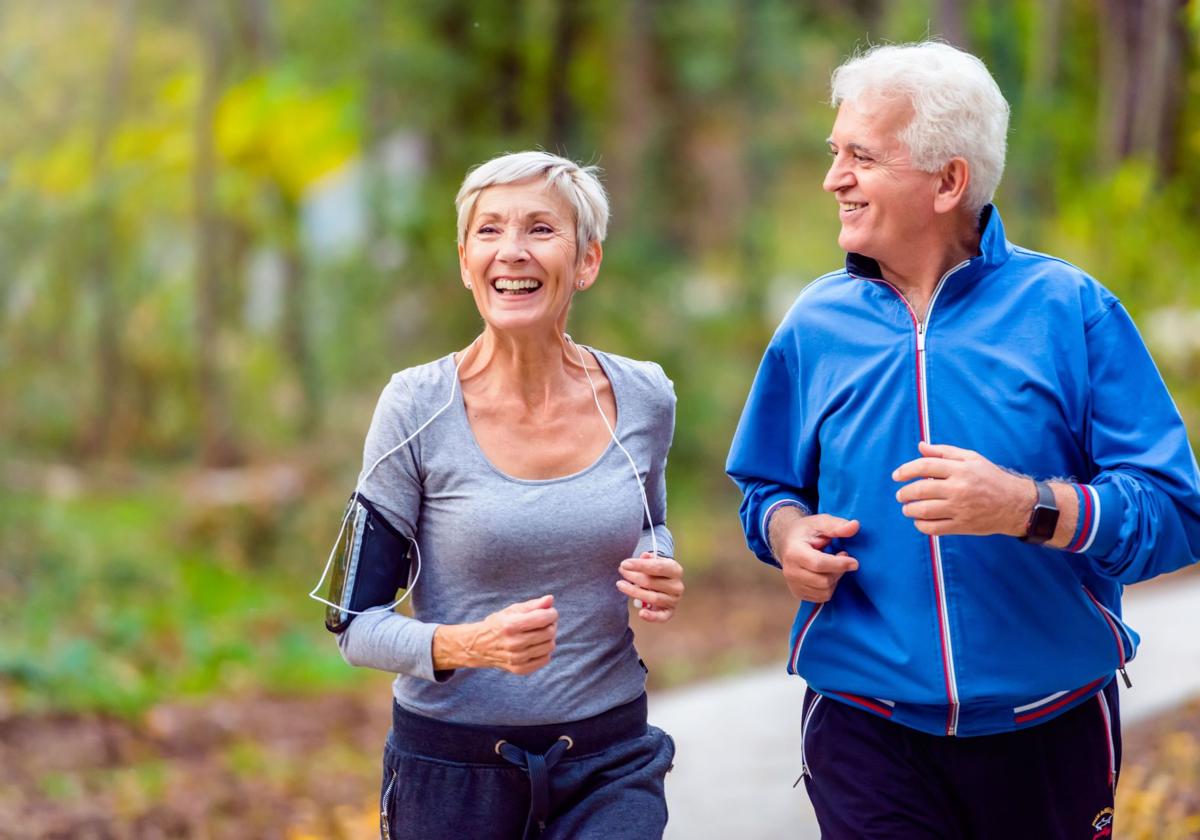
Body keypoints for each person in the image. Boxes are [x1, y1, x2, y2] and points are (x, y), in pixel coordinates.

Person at [726, 41, 1200, 839]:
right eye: (834, 152)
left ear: (949, 181)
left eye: (861, 156)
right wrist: (786, 535)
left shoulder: (1070, 310)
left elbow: (1175, 514)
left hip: (1052, 726)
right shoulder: (815, 323)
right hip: (864, 724)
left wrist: (1026, 506)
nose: (832, 178)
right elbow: (765, 489)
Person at [317, 151, 683, 839]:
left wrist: (655, 562)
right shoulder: (414, 407)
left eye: (540, 229)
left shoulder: (642, 396)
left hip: (608, 761)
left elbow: (651, 521)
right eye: (489, 231)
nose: (511, 251)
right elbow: (353, 624)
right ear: (464, 262)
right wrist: (471, 644)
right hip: (452, 773)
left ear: (586, 261)